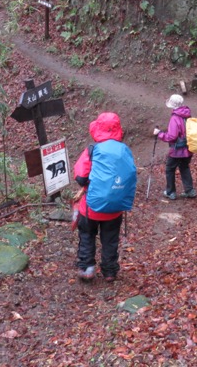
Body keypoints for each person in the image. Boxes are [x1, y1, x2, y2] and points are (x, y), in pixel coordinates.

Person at [73, 112, 136, 283]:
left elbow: (80, 177)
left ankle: (87, 268)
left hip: (91, 207)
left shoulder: (93, 150)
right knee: (110, 239)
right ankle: (110, 271)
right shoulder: (124, 150)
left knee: (87, 235)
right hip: (116, 208)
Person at [153, 94, 196, 200]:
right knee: (184, 167)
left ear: (173, 105)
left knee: (170, 169)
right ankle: (190, 190)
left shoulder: (175, 118)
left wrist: (159, 134)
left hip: (177, 150)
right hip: (188, 148)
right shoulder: (187, 114)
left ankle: (170, 192)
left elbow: (172, 136)